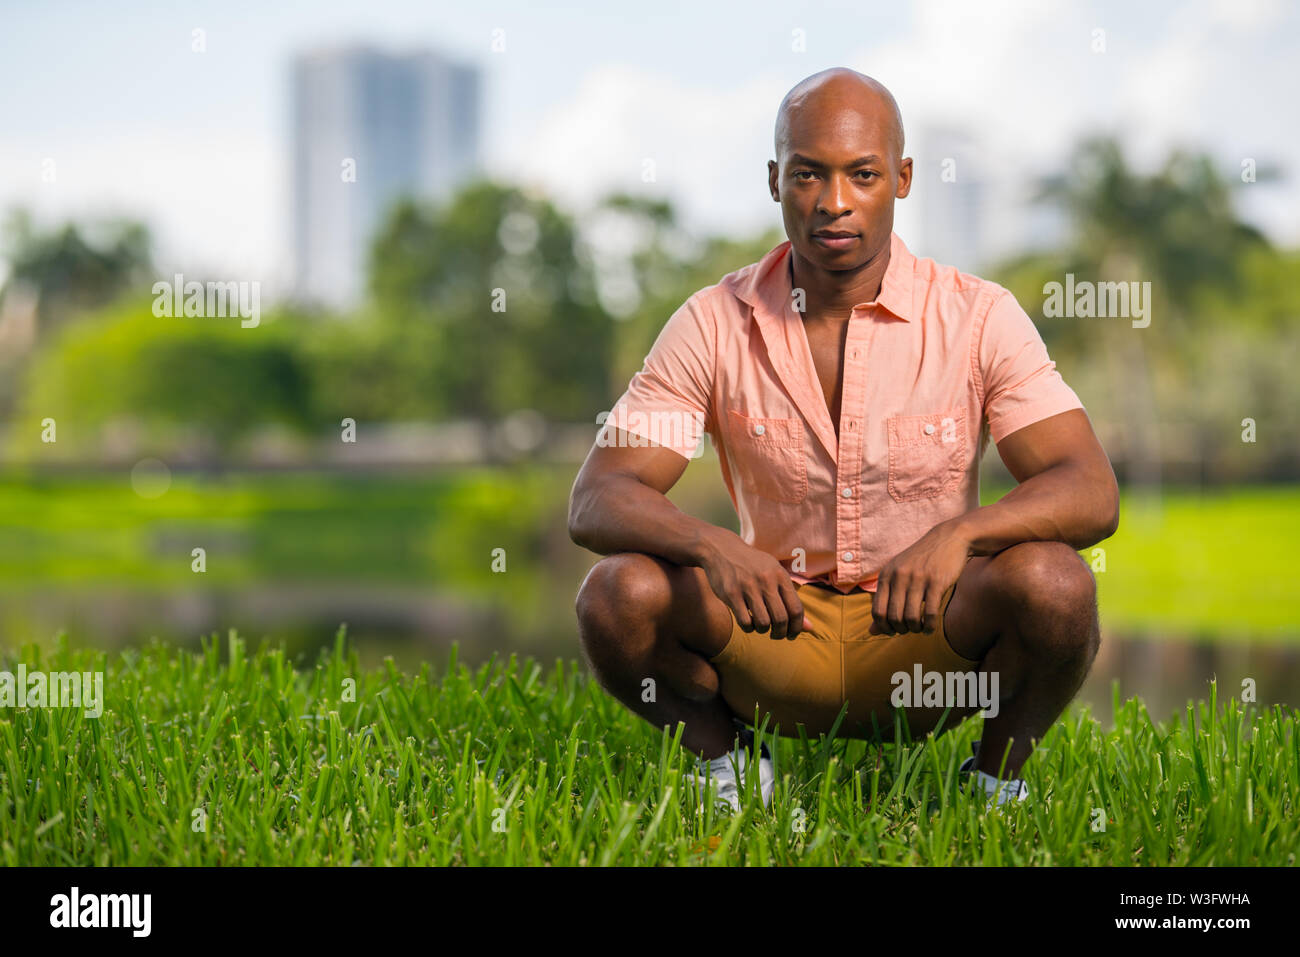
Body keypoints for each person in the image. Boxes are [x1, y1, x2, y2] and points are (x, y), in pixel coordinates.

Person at [568, 67, 1119, 812]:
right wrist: (709, 544)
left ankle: (995, 782)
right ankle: (730, 771)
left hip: (926, 643)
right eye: (808, 174)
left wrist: (964, 534)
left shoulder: (979, 317)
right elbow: (599, 495)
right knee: (618, 592)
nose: (834, 202)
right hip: (774, 632)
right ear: (774, 181)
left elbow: (1086, 487)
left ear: (902, 177)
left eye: (862, 174)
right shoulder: (712, 322)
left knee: (1057, 582)